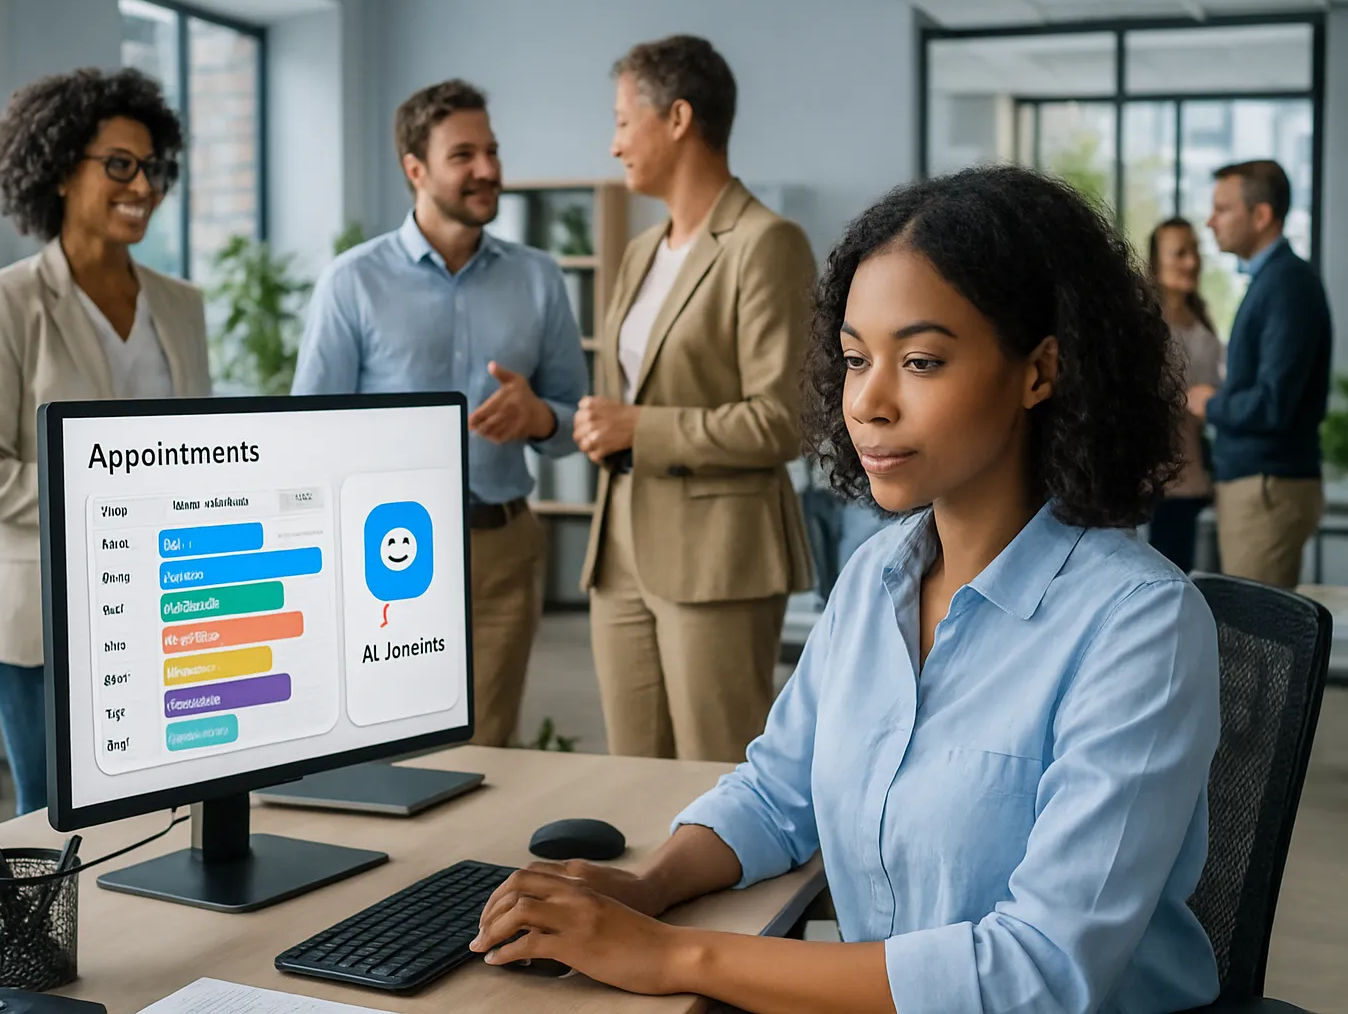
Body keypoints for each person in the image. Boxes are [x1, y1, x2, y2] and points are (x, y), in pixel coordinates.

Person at [472, 166, 1222, 1012]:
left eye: (923, 361)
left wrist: (676, 957)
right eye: (857, 359)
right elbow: (777, 791)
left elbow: (1037, 974)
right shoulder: (878, 577)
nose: (868, 401)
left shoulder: (1140, 626)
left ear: (1039, 372)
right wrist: (647, 888)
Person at [291, 80, 587, 748]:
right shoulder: (352, 282)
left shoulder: (539, 278)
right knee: (387, 745)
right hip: (381, 556)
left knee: (486, 751)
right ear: (415, 169)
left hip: (501, 550)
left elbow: (574, 422)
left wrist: (539, 416)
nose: (487, 169)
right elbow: (308, 434)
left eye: (492, 151)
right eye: (464, 155)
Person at [0, 68, 211, 815]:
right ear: (63, 169)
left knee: (164, 803)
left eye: (154, 168)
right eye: (121, 165)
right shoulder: (11, 300)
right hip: (38, 612)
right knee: (52, 815)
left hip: (162, 595)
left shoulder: (182, 305)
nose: (144, 187)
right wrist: (106, 497)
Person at [578, 35, 814, 763]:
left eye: (623, 121)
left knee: (717, 782)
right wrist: (601, 425)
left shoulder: (765, 243)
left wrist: (640, 427)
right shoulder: (640, 252)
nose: (614, 143)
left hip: (716, 557)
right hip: (618, 551)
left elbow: (784, 420)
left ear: (677, 118)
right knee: (632, 779)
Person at [1189, 160, 1332, 588]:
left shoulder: (1286, 283)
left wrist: (1208, 402)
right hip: (1260, 485)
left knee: (1258, 647)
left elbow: (1273, 405)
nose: (1211, 221)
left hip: (1267, 488)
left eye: (1223, 208)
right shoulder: (1273, 280)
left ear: (1261, 215)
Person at [1147, 216, 1222, 572]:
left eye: (1194, 251)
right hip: (1151, 481)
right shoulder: (1144, 325)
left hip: (1192, 479)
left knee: (1186, 575)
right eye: (1179, 253)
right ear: (1156, 262)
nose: (1191, 261)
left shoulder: (1203, 324)